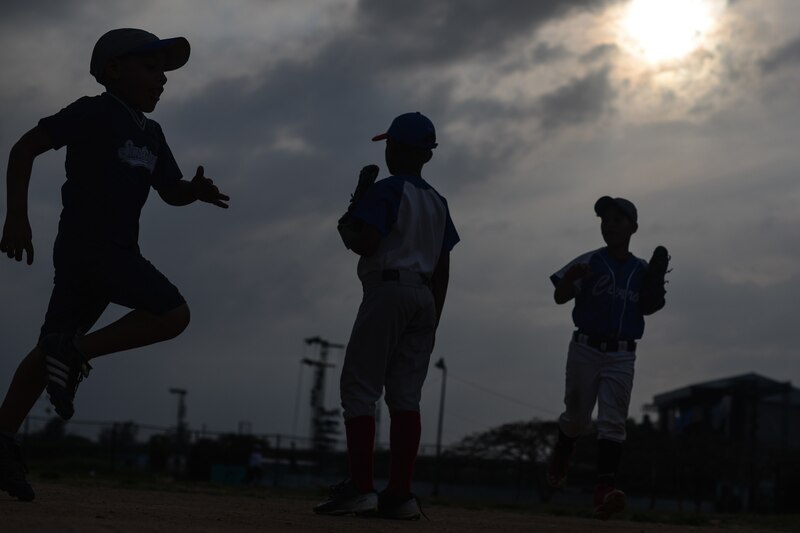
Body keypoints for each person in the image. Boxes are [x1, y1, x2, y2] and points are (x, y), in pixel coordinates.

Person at [0, 28, 229, 501]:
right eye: (151, 68)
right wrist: (17, 216)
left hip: (108, 253)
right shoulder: (93, 112)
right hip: (93, 248)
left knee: (47, 351)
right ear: (112, 69)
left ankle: (3, 437)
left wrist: (193, 191)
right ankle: (77, 353)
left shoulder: (153, 134)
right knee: (173, 314)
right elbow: (23, 148)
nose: (161, 80)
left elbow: (170, 191)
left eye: (165, 73)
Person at [313, 112, 459, 519]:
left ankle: (361, 488)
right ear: (427, 156)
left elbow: (367, 243)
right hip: (425, 297)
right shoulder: (437, 200)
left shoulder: (386, 190)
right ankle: (400, 495)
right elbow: (443, 264)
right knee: (405, 396)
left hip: (388, 289)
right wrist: (434, 318)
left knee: (359, 388)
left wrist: (347, 224)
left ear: (393, 148)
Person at [546, 196, 668, 520]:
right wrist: (571, 280)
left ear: (634, 228)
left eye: (618, 219)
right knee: (576, 418)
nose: (609, 224)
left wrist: (656, 294)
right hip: (585, 349)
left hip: (622, 355)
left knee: (613, 422)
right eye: (605, 219)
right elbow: (559, 297)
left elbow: (651, 304)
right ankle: (564, 449)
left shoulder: (642, 270)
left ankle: (603, 491)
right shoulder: (591, 260)